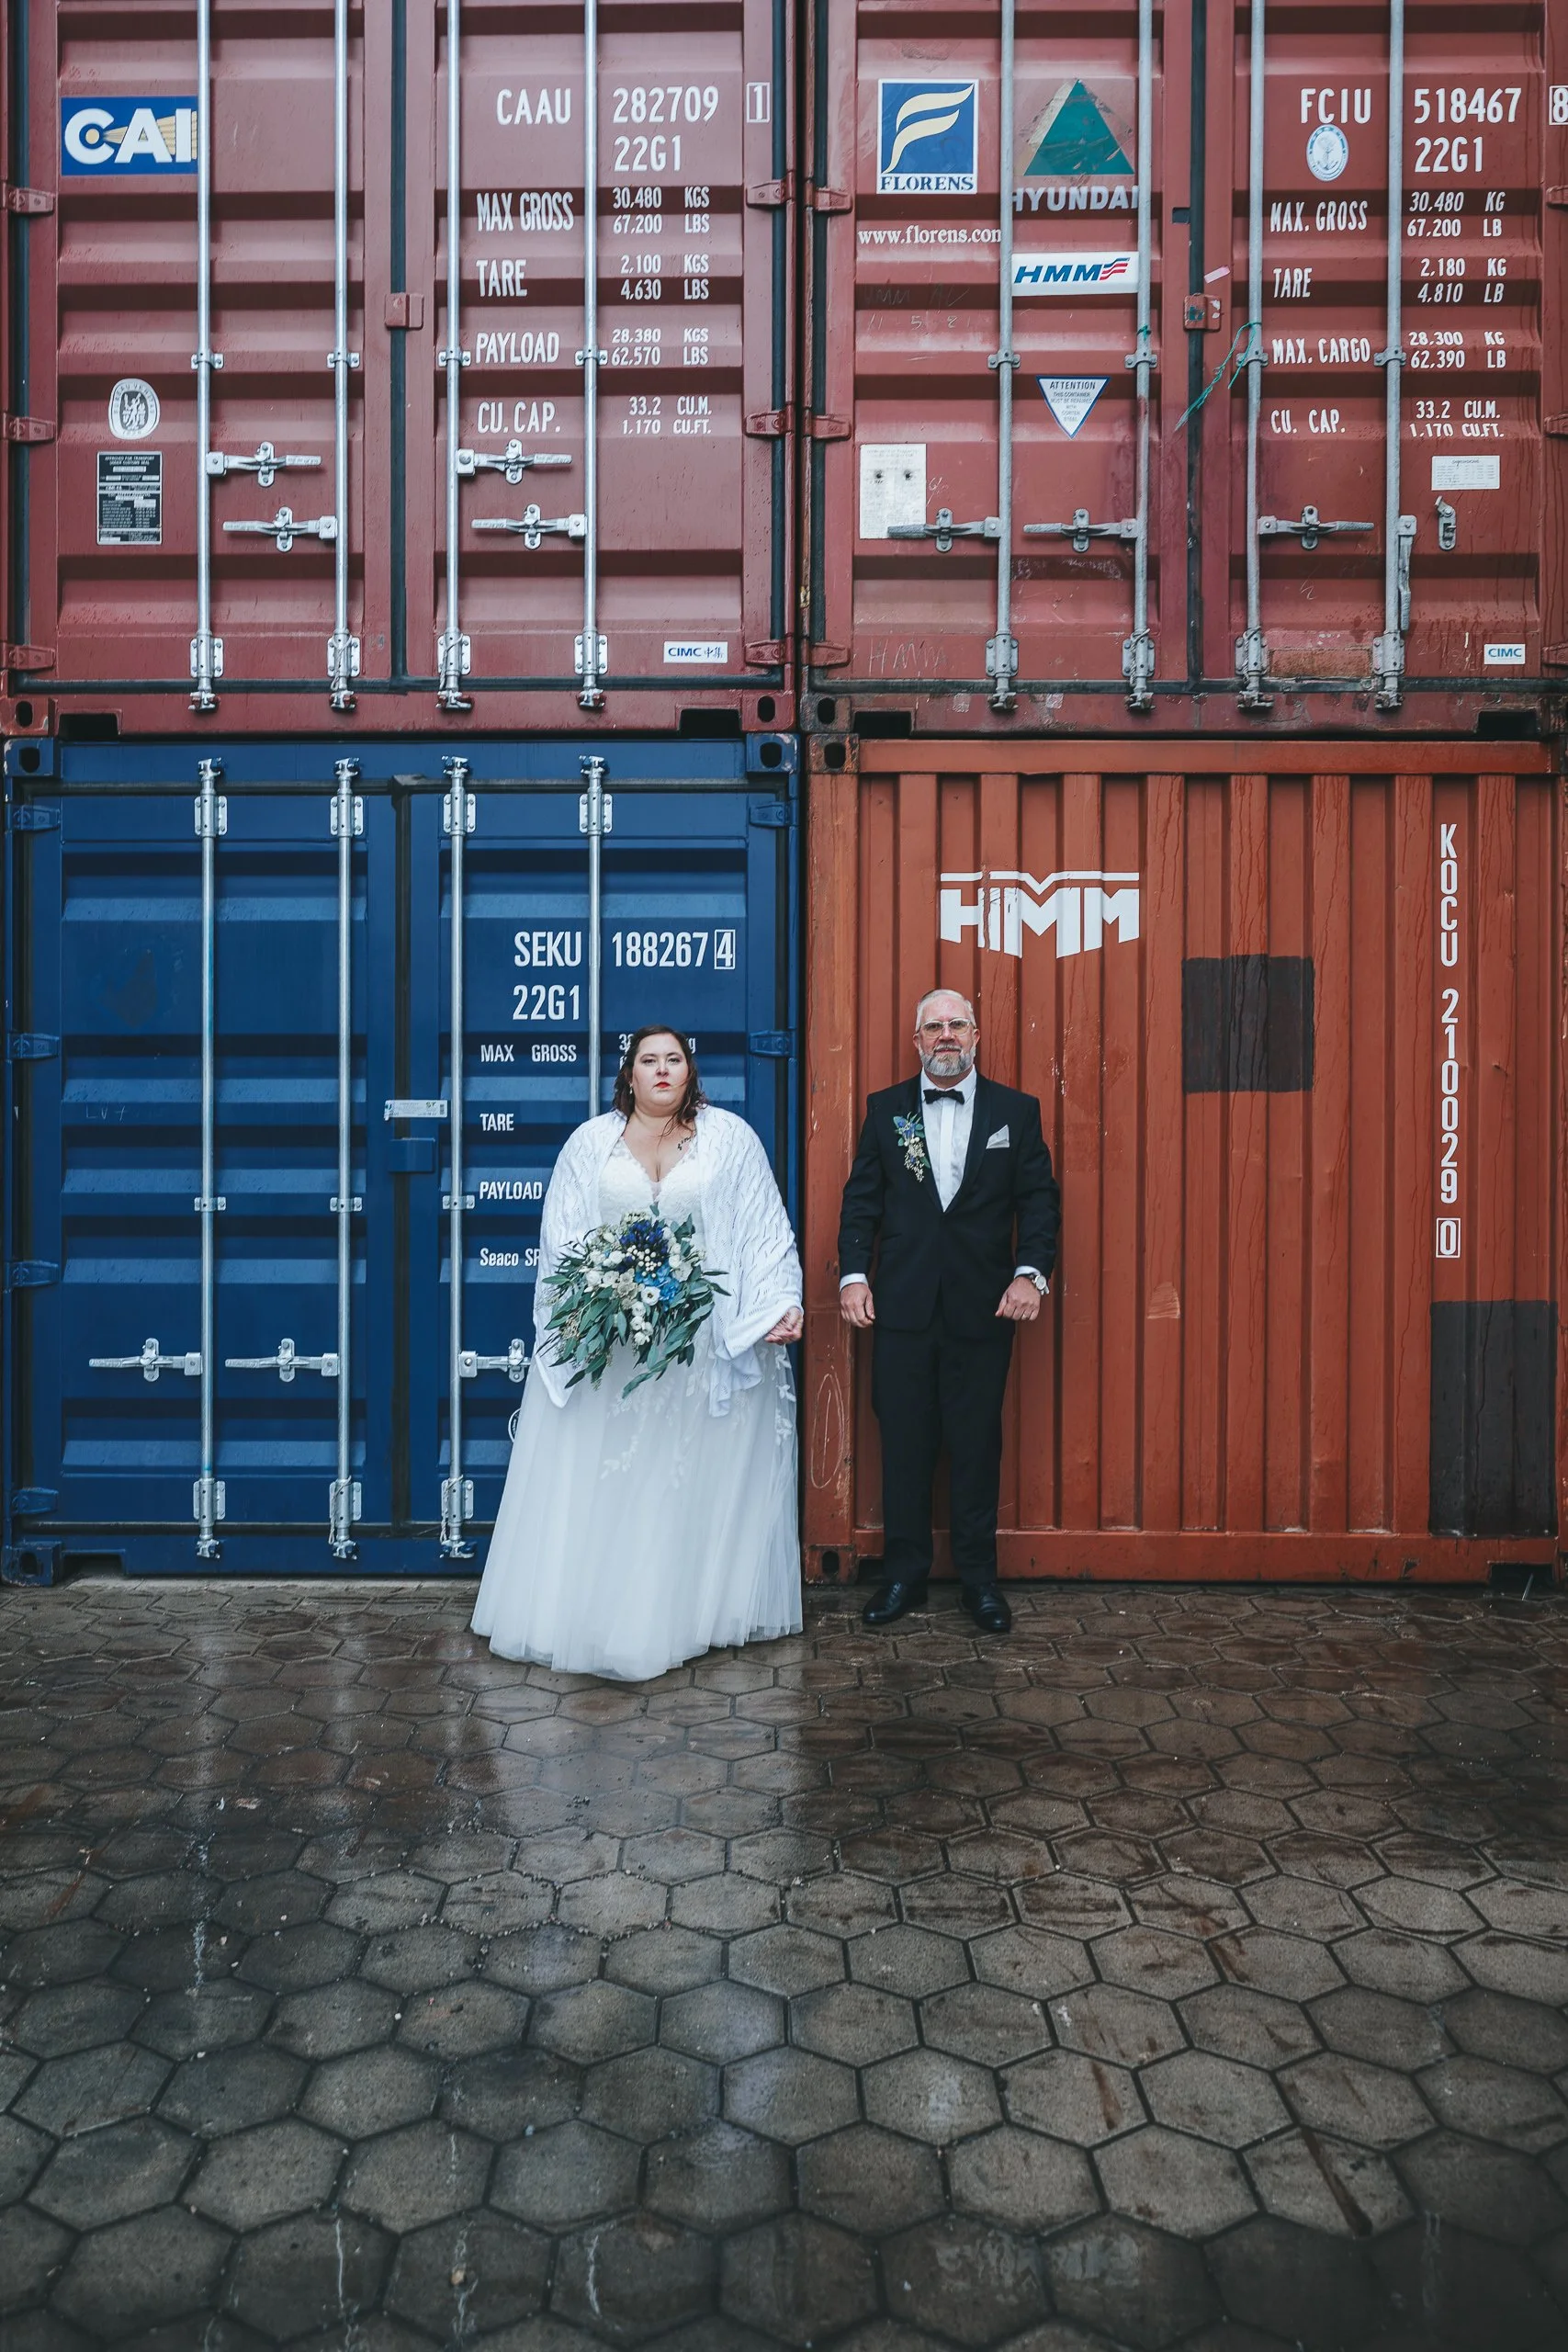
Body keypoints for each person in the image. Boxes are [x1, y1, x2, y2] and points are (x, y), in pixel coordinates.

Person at [472, 1025, 804, 1680]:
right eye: (647, 1060)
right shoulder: (589, 1143)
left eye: (672, 1060)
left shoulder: (729, 1138)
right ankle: (600, 1616)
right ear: (628, 1074)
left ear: (689, 1072)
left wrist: (781, 1300)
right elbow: (563, 1238)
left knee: (684, 1482)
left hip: (701, 1344)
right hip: (613, 1348)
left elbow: (764, 1225)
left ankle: (690, 1615)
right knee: (616, 1481)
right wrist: (586, 1310)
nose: (660, 1071)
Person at [838, 988, 1060, 1634]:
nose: (944, 1035)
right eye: (931, 1027)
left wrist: (1030, 1276)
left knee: (974, 1445)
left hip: (982, 1308)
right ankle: (903, 1575)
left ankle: (978, 1582)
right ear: (915, 1041)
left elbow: (1039, 1203)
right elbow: (862, 1203)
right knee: (904, 1445)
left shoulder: (1016, 1113)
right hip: (900, 1307)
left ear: (975, 1036)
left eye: (955, 1025)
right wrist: (853, 1276)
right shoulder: (885, 1112)